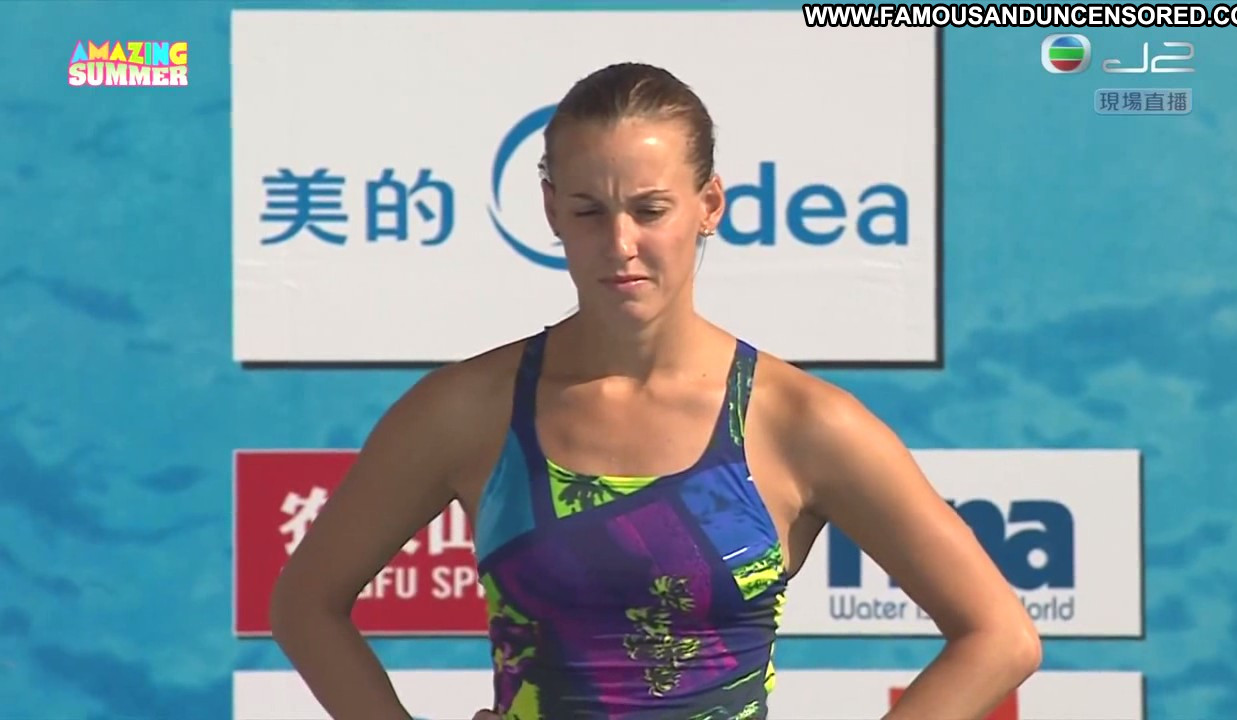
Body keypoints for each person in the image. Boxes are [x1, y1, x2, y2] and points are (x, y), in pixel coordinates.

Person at [269, 62, 1042, 720]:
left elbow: (999, 636)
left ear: (709, 205)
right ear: (551, 210)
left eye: (650, 210)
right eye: (588, 211)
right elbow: (305, 605)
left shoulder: (799, 422)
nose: (621, 244)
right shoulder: (468, 409)